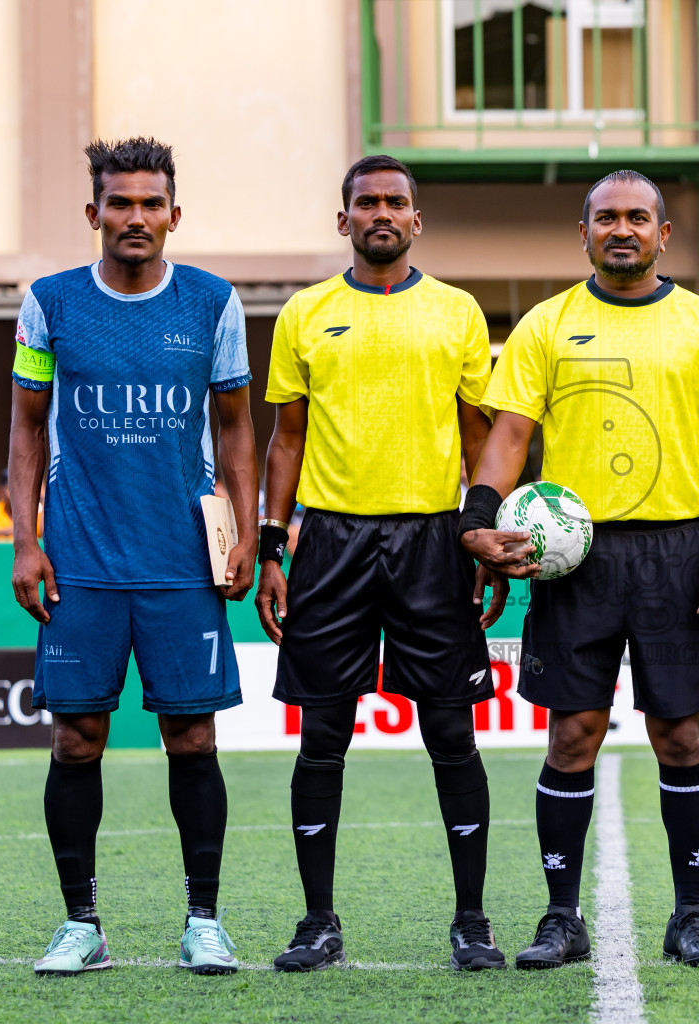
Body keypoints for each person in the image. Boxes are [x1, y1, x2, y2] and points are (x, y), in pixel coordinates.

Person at [462, 169, 699, 969]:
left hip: (677, 555)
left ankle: (691, 916)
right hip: (574, 561)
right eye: (605, 218)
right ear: (582, 232)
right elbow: (511, 432)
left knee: (680, 738)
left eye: (637, 218)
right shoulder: (546, 325)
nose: (620, 229)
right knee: (572, 738)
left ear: (664, 234)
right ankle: (562, 917)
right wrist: (477, 519)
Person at [6, 137, 257, 977]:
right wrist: (25, 540)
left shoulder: (215, 304)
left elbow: (233, 428)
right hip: (80, 560)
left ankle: (204, 921)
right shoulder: (49, 303)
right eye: (120, 203)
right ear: (94, 214)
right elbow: (26, 430)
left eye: (152, 204)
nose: (136, 217)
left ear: (174, 215)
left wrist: (245, 531)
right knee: (77, 739)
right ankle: (82, 924)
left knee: (192, 737)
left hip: (182, 561)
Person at [254, 155, 505, 973]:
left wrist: (484, 537)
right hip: (330, 543)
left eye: (397, 201)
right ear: (344, 221)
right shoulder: (305, 312)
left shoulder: (459, 312)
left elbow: (479, 443)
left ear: (417, 219)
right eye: (367, 202)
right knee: (323, 732)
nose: (382, 213)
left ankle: (472, 921)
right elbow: (284, 440)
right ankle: (317, 921)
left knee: (449, 731)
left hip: (434, 541)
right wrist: (270, 544)